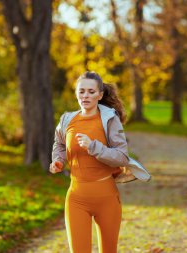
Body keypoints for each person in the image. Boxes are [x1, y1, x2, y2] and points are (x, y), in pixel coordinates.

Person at [50, 71, 130, 253]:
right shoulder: (67, 120)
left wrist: (94, 147)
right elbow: (60, 143)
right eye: (82, 91)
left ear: (100, 95)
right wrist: (58, 160)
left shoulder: (109, 119)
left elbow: (122, 156)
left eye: (91, 92)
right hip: (77, 199)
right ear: (76, 93)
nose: (85, 96)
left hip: (107, 198)